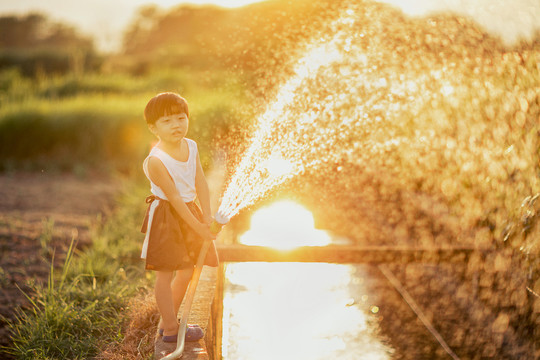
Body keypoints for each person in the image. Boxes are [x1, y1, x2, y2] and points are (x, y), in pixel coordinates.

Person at [140, 92, 219, 344]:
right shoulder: (156, 160)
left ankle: (167, 323)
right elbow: (173, 198)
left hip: (189, 209)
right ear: (153, 128)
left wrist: (206, 217)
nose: (176, 125)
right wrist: (199, 228)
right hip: (167, 216)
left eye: (180, 117)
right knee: (164, 273)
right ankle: (172, 329)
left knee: (187, 270)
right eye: (167, 121)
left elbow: (201, 182)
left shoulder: (191, 146)